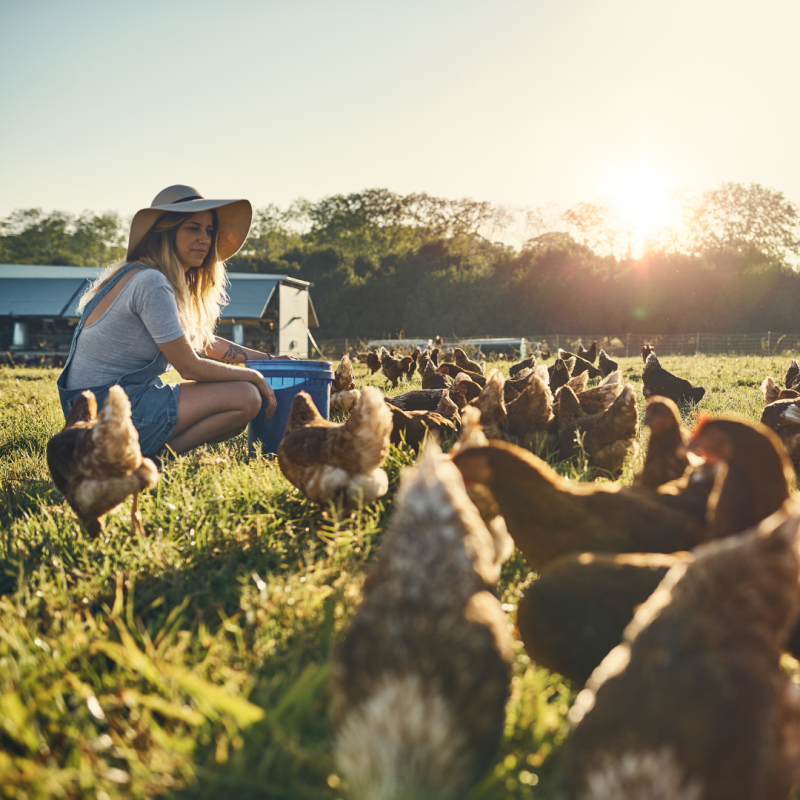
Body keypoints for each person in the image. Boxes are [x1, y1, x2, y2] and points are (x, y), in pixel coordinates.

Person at [57, 184, 290, 457]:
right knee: (246, 397)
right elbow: (189, 366)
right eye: (193, 228)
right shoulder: (151, 281)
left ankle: (148, 457)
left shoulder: (143, 275)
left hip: (94, 408)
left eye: (209, 231)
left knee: (243, 394)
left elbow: (201, 342)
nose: (204, 239)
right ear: (165, 233)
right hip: (104, 409)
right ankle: (153, 461)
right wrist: (254, 376)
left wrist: (267, 359)